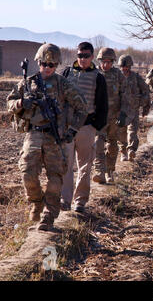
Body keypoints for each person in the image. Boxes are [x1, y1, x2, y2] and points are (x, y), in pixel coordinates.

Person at [7, 43, 87, 231]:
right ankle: (36, 203)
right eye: (44, 64)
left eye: (51, 65)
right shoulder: (28, 82)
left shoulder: (63, 84)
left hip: (54, 136)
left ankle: (49, 216)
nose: (47, 68)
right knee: (27, 173)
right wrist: (20, 103)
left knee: (55, 178)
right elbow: (9, 102)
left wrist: (72, 131)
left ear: (57, 65)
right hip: (33, 134)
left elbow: (82, 107)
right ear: (38, 62)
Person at [60, 42, 108, 213]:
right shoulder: (66, 73)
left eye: (86, 56)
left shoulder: (98, 77)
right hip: (67, 127)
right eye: (80, 55)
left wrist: (94, 126)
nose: (82, 59)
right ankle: (64, 200)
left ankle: (79, 201)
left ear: (92, 57)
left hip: (87, 127)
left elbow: (103, 105)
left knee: (85, 166)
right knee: (66, 165)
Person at [92, 48, 132, 183]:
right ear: (99, 61)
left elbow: (125, 95)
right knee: (98, 143)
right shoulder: (94, 74)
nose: (106, 65)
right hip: (99, 117)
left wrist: (123, 112)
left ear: (113, 62)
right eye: (104, 61)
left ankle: (109, 171)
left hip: (114, 116)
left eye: (109, 62)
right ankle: (99, 171)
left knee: (112, 145)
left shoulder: (118, 75)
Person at [118, 55, 151, 162]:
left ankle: (131, 149)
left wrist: (144, 104)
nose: (124, 69)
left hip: (133, 109)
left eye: (126, 66)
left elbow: (146, 90)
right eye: (122, 67)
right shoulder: (117, 78)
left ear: (130, 66)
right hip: (120, 111)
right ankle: (123, 152)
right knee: (121, 132)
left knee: (132, 131)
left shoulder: (136, 77)